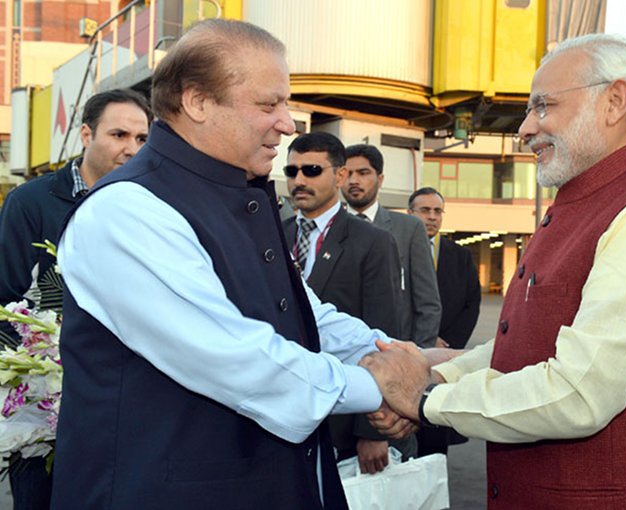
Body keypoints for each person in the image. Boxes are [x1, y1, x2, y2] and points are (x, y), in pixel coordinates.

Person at [51, 19, 424, 510]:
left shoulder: (236, 194)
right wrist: (378, 384)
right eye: (269, 105)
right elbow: (233, 357)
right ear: (198, 102)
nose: (289, 123)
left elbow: (307, 317)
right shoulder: (127, 210)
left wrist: (402, 356)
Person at [363, 33, 626, 509]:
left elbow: (578, 393)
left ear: (614, 101)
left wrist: (427, 401)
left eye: (543, 106)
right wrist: (433, 368)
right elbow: (530, 343)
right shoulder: (583, 203)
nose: (526, 129)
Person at [0, 88, 150, 510]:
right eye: (118, 134)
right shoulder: (31, 202)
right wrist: (34, 378)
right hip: (46, 414)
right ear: (86, 134)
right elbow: (6, 300)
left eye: (142, 139)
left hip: (127, 407)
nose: (131, 149)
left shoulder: (150, 206)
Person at [282, 131, 415, 473]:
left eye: (311, 170)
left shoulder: (372, 241)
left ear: (340, 175)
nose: (299, 180)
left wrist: (372, 430)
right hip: (285, 412)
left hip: (344, 420)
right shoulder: (272, 234)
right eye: (291, 171)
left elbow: (383, 332)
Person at [343, 144, 442, 347]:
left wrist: (418, 355)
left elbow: (428, 302)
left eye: (363, 173)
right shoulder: (329, 228)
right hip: (340, 353)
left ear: (380, 179)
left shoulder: (408, 228)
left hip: (394, 350)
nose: (354, 180)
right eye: (347, 173)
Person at [407, 186, 480, 456]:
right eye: (425, 210)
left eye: (438, 211)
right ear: (409, 213)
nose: (432, 217)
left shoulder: (459, 255)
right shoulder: (392, 248)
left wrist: (446, 343)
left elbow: (471, 303)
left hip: (445, 353)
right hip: (407, 348)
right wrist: (424, 339)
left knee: (434, 435)